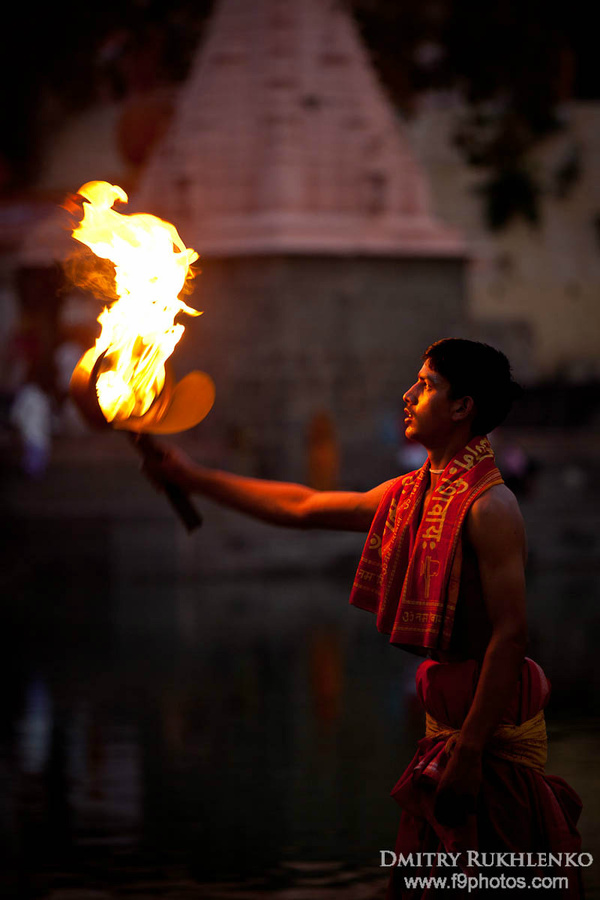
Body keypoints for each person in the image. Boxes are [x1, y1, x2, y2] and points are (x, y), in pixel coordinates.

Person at [143, 338, 582, 898]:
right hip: (449, 731)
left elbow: (510, 635)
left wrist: (470, 752)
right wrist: (191, 477)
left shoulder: (491, 506)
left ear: (462, 407)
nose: (408, 395)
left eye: (425, 385)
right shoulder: (411, 493)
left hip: (485, 740)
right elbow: (300, 507)